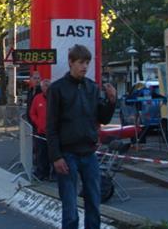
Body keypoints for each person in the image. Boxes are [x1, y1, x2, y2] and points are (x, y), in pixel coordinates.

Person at [47, 44, 117, 229]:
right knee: (70, 207)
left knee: (94, 202)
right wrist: (56, 156)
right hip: (67, 154)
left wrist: (111, 102)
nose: (84, 66)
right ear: (71, 62)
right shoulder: (58, 89)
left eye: (87, 62)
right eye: (80, 62)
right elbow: (51, 125)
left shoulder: (92, 88)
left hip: (89, 153)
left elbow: (103, 118)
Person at [29, 79, 51, 180]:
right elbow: (32, 113)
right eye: (45, 86)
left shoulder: (55, 98)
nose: (46, 87)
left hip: (53, 133)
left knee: (54, 154)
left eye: (48, 85)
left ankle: (54, 174)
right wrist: (37, 123)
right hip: (41, 132)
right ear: (42, 88)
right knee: (41, 153)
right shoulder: (37, 98)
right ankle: (42, 173)